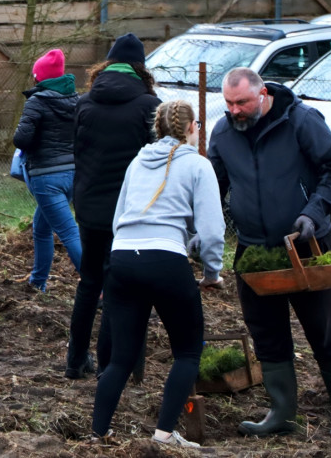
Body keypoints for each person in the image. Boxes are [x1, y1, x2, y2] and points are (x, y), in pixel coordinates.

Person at [208, 67, 331, 437]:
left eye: (241, 102)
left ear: (263, 95)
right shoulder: (224, 132)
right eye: (228, 102)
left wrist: (313, 211)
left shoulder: (301, 121)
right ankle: (282, 413)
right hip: (254, 248)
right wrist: (203, 227)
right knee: (267, 332)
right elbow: (214, 185)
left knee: (322, 329)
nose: (234, 110)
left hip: (305, 246)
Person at [90, 100, 225, 448]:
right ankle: (164, 434)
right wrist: (212, 273)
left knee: (121, 357)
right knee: (187, 352)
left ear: (158, 128)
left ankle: (98, 434)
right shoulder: (198, 165)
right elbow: (211, 232)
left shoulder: (138, 162)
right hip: (166, 261)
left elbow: (119, 216)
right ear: (193, 128)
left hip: (123, 260)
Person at [65, 33, 161, 379]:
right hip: (131, 213)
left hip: (89, 208)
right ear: (141, 69)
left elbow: (77, 152)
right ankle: (115, 365)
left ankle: (75, 361)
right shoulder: (150, 107)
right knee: (122, 288)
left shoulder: (84, 103)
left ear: (106, 64)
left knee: (89, 284)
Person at [13, 48, 82, 292]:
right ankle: (37, 282)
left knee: (69, 232)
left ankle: (100, 287)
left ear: (40, 77)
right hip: (73, 174)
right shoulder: (76, 100)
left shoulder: (37, 101)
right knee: (41, 228)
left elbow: (21, 139)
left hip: (46, 177)